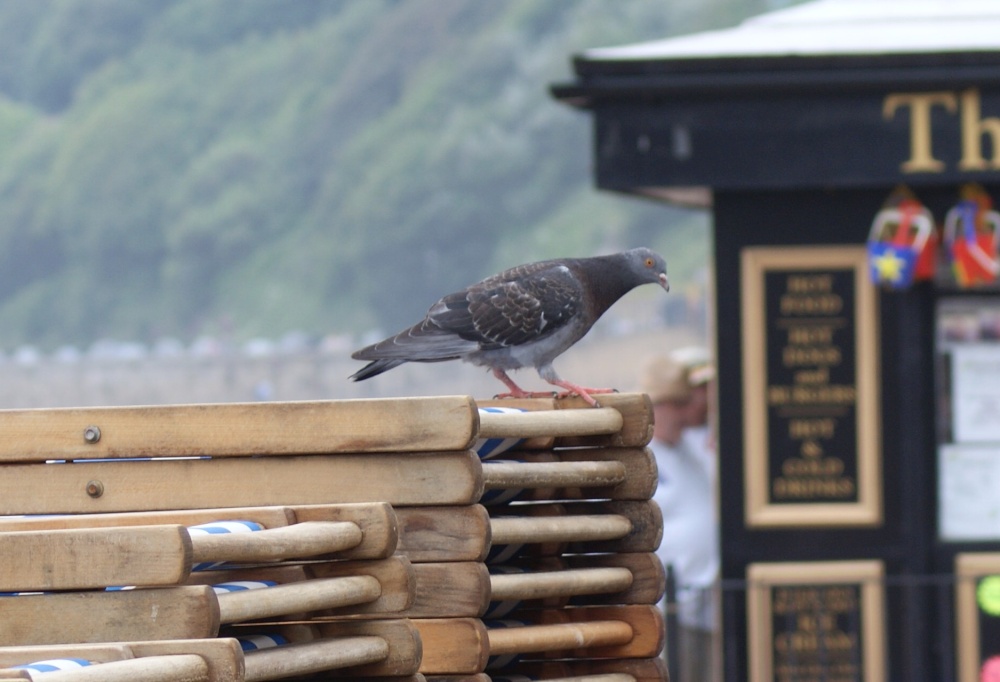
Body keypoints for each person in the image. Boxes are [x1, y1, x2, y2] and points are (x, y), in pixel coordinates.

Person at [641, 350, 720, 682]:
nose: (687, 410)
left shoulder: (691, 448)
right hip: (673, 607)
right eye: (676, 404)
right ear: (658, 407)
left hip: (705, 602)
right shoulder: (645, 461)